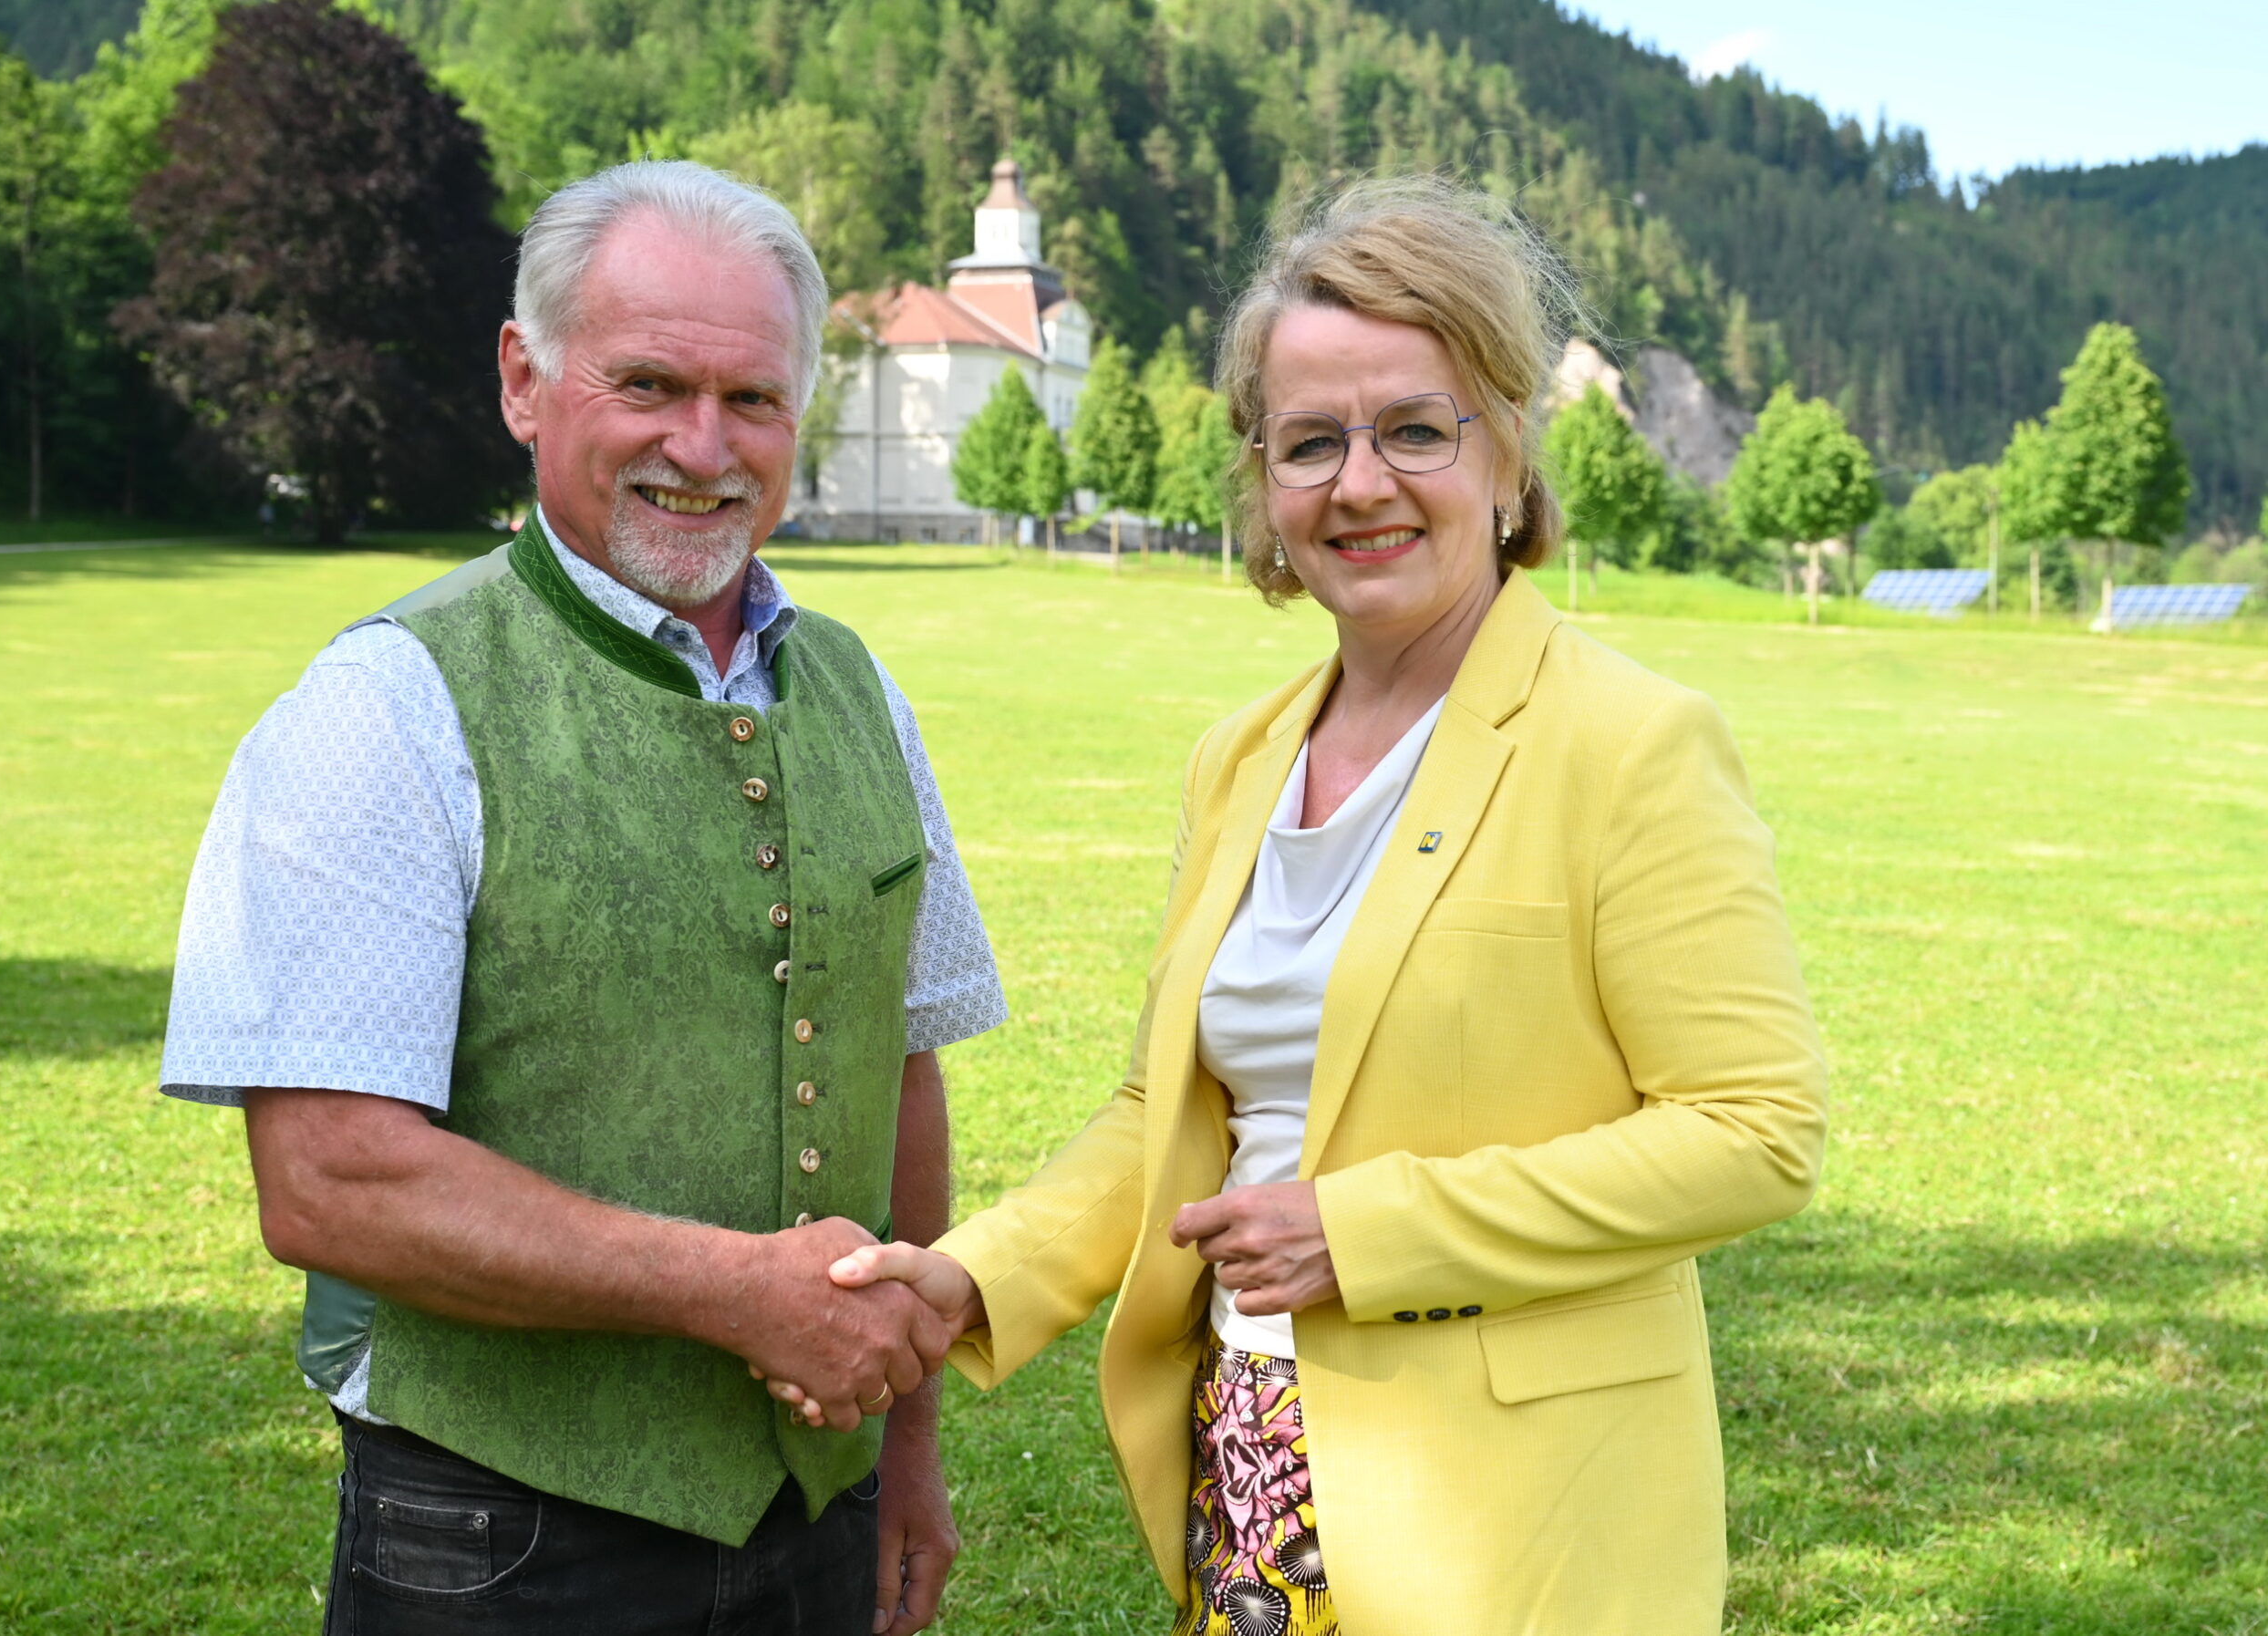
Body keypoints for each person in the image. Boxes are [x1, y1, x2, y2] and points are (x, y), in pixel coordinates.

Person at [773, 177, 1828, 1634]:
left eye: (1415, 428)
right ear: (1263, 481)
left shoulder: (1630, 741)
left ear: (1508, 453)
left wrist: (1371, 1231)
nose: (1361, 482)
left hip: (1521, 1528)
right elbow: (1167, 1113)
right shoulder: (1244, 756)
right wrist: (968, 1279)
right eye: (1311, 442)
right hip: (1261, 1465)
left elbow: (1752, 1132)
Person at [157, 160, 1005, 1636]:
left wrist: (907, 1444)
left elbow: (901, 1072)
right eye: (650, 384)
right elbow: (330, 1178)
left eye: (754, 399)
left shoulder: (861, 690)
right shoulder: (391, 703)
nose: (704, 444)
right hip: (501, 1539)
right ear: (524, 380)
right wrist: (735, 1289)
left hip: (819, 1515)